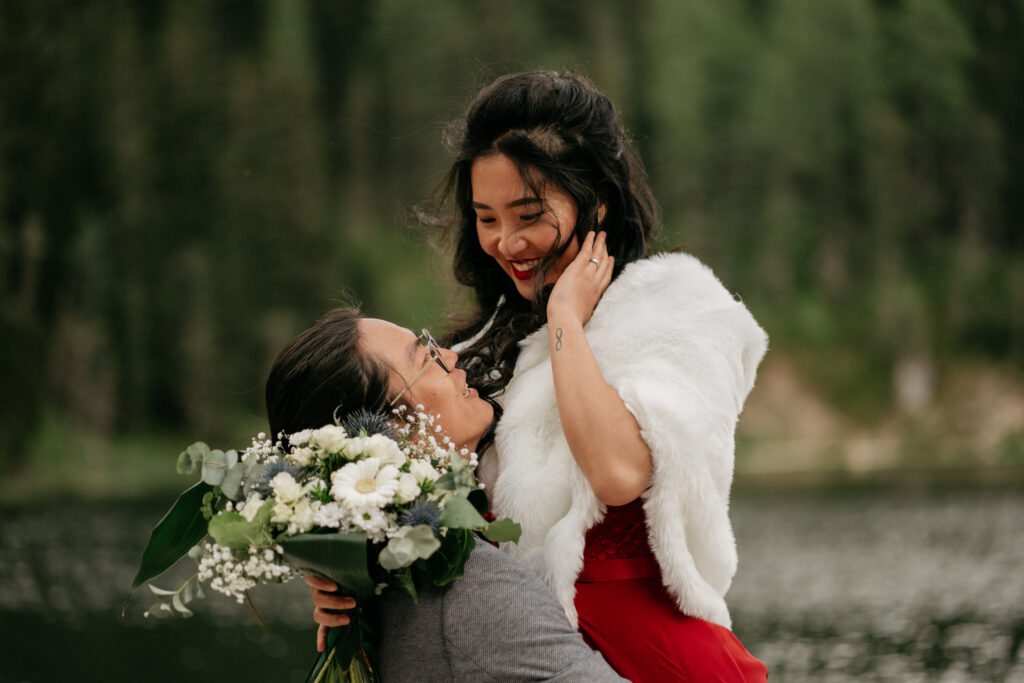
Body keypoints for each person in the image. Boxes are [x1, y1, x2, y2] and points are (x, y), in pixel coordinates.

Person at [431, 70, 769, 681]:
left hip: (654, 656)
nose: (507, 242)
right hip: (520, 653)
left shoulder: (683, 310)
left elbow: (617, 474)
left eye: (528, 213)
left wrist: (566, 319)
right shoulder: (481, 347)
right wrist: (350, 576)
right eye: (485, 218)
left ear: (598, 201)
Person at [265, 308, 627, 682]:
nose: (453, 357)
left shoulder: (372, 579)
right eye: (428, 358)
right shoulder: (469, 582)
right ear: (389, 429)